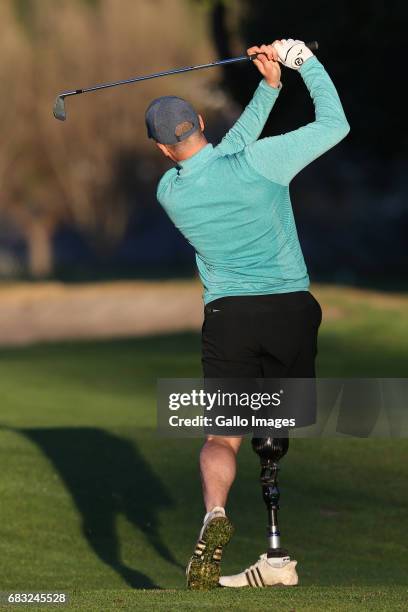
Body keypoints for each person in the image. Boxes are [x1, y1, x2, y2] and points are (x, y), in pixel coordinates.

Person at [145, 38, 350, 589]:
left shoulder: (171, 192)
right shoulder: (261, 162)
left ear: (164, 149)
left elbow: (217, 160)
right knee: (275, 430)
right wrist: (302, 61)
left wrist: (268, 88)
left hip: (228, 316)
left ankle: (215, 513)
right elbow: (335, 123)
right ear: (200, 126)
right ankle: (276, 556)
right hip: (289, 310)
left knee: (222, 436)